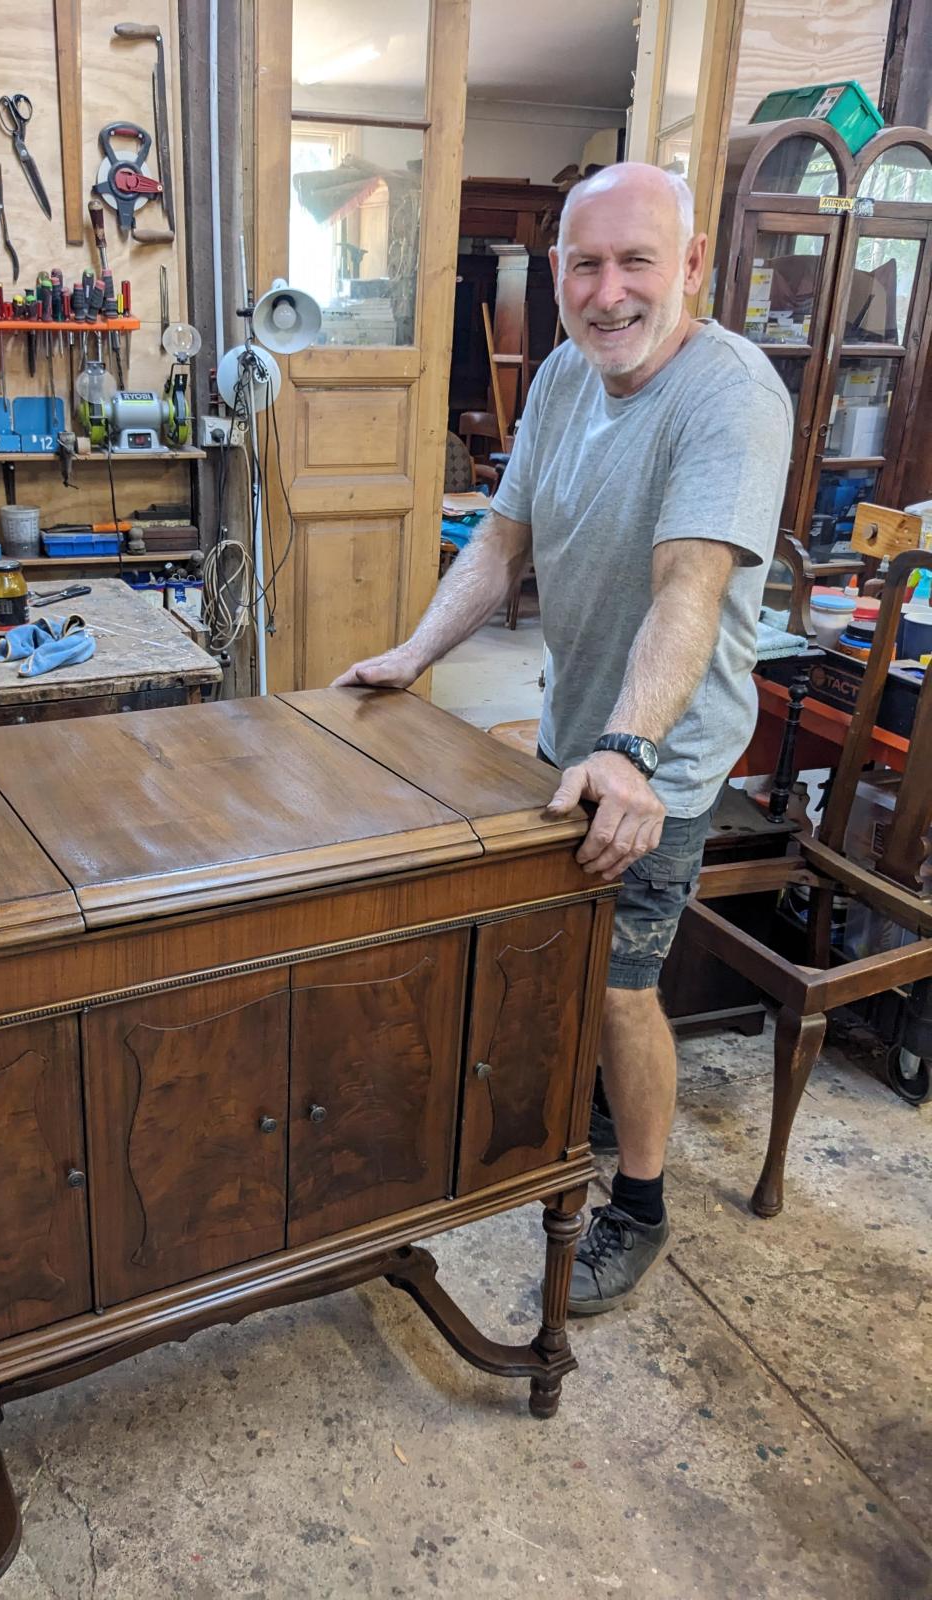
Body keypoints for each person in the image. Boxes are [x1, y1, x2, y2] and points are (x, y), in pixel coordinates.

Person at [334, 163, 792, 1315]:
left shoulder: (728, 395)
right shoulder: (559, 380)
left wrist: (630, 750)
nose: (610, 290)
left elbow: (688, 589)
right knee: (556, 957)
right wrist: (413, 653)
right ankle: (567, 1117)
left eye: (638, 261)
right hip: (569, 735)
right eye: (586, 264)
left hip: (662, 759)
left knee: (620, 985)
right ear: (557, 276)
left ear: (689, 266)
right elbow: (498, 547)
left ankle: (638, 1204)